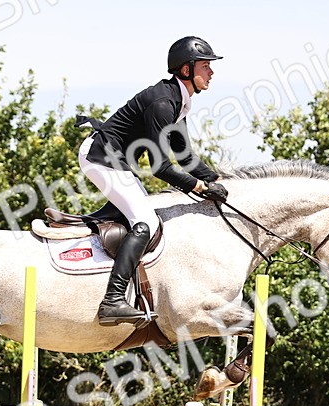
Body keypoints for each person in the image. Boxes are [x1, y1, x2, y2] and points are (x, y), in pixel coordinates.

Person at [78, 35, 230, 325]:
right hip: (101, 158)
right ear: (186, 70)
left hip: (117, 162)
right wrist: (199, 187)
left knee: (139, 215)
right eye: (205, 65)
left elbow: (184, 157)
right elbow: (160, 167)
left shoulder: (178, 102)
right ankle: (112, 300)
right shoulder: (163, 103)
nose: (211, 71)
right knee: (145, 222)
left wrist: (217, 179)